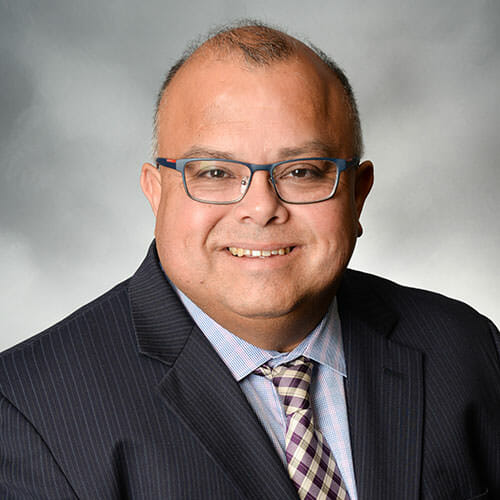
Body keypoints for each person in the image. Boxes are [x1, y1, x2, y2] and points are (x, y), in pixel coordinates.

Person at [1, 21, 498, 500]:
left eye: (302, 171)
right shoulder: (29, 410)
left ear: (357, 194)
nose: (261, 208)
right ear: (156, 193)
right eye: (215, 172)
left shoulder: (466, 349)